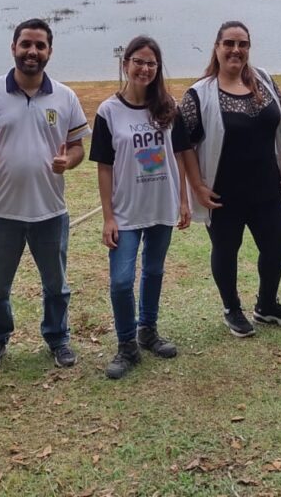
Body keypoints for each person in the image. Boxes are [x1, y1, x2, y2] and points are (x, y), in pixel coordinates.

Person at [0, 18, 90, 373]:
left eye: (40, 45)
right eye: (26, 44)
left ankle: (58, 338)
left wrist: (68, 161)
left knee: (56, 286)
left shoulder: (65, 96)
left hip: (50, 210)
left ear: (49, 51)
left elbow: (77, 147)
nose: (32, 51)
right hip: (1, 211)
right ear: (13, 47)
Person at [179, 21, 281, 338]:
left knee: (278, 244)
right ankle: (232, 308)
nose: (236, 50)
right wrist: (197, 186)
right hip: (224, 192)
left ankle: (266, 305)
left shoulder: (265, 80)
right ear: (217, 47)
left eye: (243, 44)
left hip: (266, 186)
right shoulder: (198, 94)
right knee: (226, 249)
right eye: (229, 43)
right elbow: (185, 146)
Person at [90, 36, 191, 379]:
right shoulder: (108, 111)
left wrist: (184, 199)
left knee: (154, 271)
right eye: (138, 61)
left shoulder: (168, 107)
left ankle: (148, 331)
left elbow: (178, 155)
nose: (145, 69)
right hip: (126, 212)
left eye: (151, 63)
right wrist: (108, 216)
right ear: (125, 64)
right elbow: (104, 166)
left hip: (161, 205)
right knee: (121, 281)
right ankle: (126, 345)